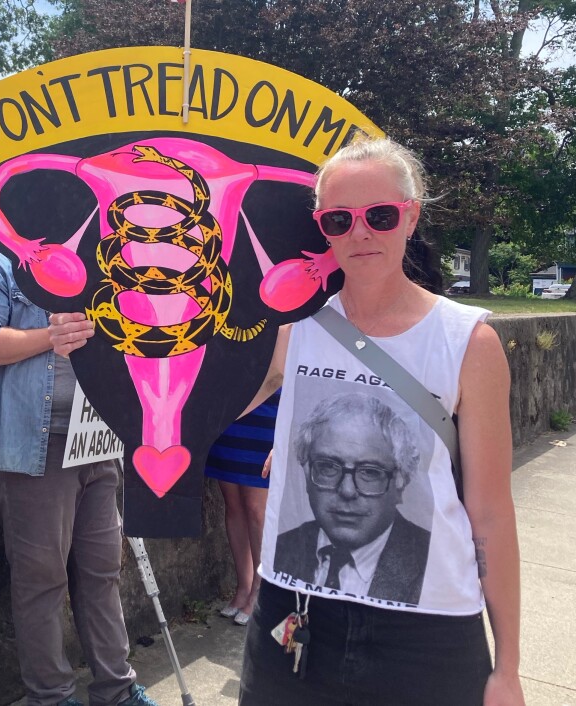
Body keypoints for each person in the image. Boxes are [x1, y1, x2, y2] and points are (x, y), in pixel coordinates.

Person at [48, 136, 524, 706]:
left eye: (380, 215)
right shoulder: (292, 328)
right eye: (338, 220)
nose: (360, 233)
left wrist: (509, 666)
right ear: (320, 227)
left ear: (411, 215)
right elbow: (194, 401)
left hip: (429, 630)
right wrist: (87, 342)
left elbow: (491, 511)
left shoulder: (468, 342)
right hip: (295, 618)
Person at [0, 247, 158, 706]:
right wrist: (51, 335)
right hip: (28, 448)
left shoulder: (100, 269)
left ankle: (116, 690)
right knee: (42, 579)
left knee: (102, 570)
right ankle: (51, 697)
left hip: (96, 439)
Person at [273, 392, 430, 605]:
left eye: (370, 472)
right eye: (328, 467)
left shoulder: (433, 562)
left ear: (401, 479)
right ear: (307, 471)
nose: (347, 491)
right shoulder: (280, 549)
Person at [205, 390, 280, 625]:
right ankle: (244, 586)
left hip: (267, 403)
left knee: (256, 507)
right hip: (229, 406)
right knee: (233, 503)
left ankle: (261, 589)